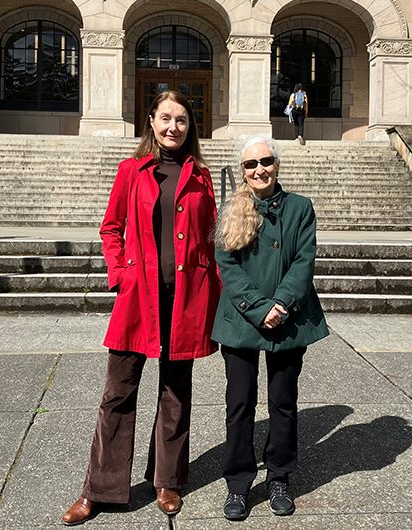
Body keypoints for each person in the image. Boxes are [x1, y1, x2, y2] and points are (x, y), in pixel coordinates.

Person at [62, 90, 221, 526]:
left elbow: (210, 238)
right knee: (118, 393)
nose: (173, 127)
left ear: (191, 127)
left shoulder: (202, 175)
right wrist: (120, 275)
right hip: (139, 297)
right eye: (166, 118)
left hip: (186, 299)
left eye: (182, 120)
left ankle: (166, 480)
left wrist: (215, 288)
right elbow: (111, 227)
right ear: (150, 120)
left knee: (176, 392)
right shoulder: (132, 170)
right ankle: (99, 489)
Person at [212, 136, 329, 521]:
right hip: (243, 319)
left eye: (265, 161)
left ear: (276, 164)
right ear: (242, 171)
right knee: (240, 405)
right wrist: (260, 309)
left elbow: (303, 260)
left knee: (283, 403)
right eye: (250, 164)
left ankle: (279, 475)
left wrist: (281, 304)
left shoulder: (300, 208)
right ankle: (238, 483)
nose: (259, 169)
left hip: (289, 316)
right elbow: (227, 267)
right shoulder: (231, 210)